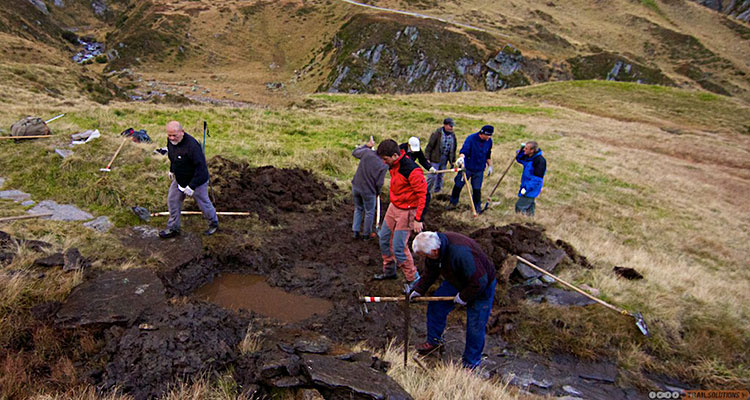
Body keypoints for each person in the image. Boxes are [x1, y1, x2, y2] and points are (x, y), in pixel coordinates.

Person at [410, 231, 497, 370]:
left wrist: (463, 297)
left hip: (481, 284)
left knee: (475, 325)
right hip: (457, 278)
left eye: (425, 256)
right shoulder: (434, 252)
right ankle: (434, 342)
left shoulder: (460, 253)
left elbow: (480, 282)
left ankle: (471, 364)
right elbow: (430, 272)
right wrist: (418, 289)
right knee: (436, 306)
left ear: (434, 251)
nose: (424, 258)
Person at [374, 139, 427, 290]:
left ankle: (413, 279)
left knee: (398, 247)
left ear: (396, 155)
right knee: (384, 238)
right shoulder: (395, 161)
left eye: (385, 159)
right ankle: (389, 270)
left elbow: (424, 194)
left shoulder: (411, 170)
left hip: (408, 211)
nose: (384, 163)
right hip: (394, 206)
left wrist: (418, 219)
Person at [159, 121, 219, 238]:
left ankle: (213, 223)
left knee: (204, 204)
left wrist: (192, 186)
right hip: (180, 178)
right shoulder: (171, 142)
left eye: (174, 135)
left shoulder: (192, 146)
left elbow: (201, 169)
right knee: (172, 201)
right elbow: (173, 156)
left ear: (182, 132)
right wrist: (172, 170)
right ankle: (173, 227)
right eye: (169, 135)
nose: (171, 138)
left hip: (197, 181)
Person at [446, 125, 494, 214]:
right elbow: (464, 151)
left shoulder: (489, 141)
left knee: (477, 189)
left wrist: (490, 166)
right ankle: (453, 203)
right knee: (458, 185)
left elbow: (488, 155)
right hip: (467, 168)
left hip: (479, 169)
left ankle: (477, 207)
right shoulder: (471, 139)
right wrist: (461, 158)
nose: (489, 138)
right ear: (482, 133)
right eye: (488, 135)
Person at [352, 136, 388, 240]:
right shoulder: (383, 165)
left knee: (358, 208)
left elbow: (355, 152)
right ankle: (366, 235)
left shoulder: (366, 152)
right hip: (369, 191)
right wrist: (378, 192)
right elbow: (379, 183)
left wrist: (366, 146)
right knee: (369, 211)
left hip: (356, 186)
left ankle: (355, 231)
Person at [400, 136, 432, 218]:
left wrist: (430, 168)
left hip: (411, 172)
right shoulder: (400, 149)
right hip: (402, 173)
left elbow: (422, 160)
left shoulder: (417, 150)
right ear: (408, 145)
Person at [424, 118, 458, 194]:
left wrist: (452, 161)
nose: (452, 128)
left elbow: (453, 149)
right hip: (435, 158)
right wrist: (427, 158)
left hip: (445, 158)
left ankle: (437, 191)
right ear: (445, 125)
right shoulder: (437, 134)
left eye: (452, 126)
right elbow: (429, 146)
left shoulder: (453, 136)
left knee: (440, 176)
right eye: (450, 126)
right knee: (432, 176)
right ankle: (426, 192)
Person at [515, 141, 546, 216]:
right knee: (529, 207)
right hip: (527, 185)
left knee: (519, 207)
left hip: (531, 188)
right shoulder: (529, 157)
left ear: (532, 150)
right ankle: (530, 222)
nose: (524, 150)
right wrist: (520, 152)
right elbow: (520, 159)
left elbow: (537, 179)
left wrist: (526, 188)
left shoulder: (539, 161)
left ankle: (520, 221)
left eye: (526, 148)